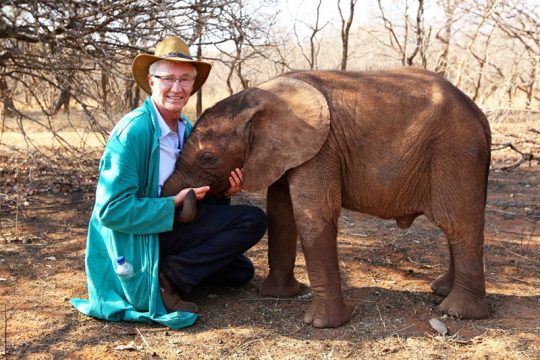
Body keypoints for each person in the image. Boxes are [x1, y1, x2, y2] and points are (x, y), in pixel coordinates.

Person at [71, 36, 267, 329]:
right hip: (137, 237)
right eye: (168, 79)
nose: (177, 88)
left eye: (184, 80)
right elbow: (111, 211)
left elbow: (192, 191)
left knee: (239, 272)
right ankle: (166, 279)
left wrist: (224, 193)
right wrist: (171, 204)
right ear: (151, 82)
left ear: (192, 85)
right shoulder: (133, 132)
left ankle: (168, 269)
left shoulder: (186, 128)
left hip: (171, 226)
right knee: (252, 219)